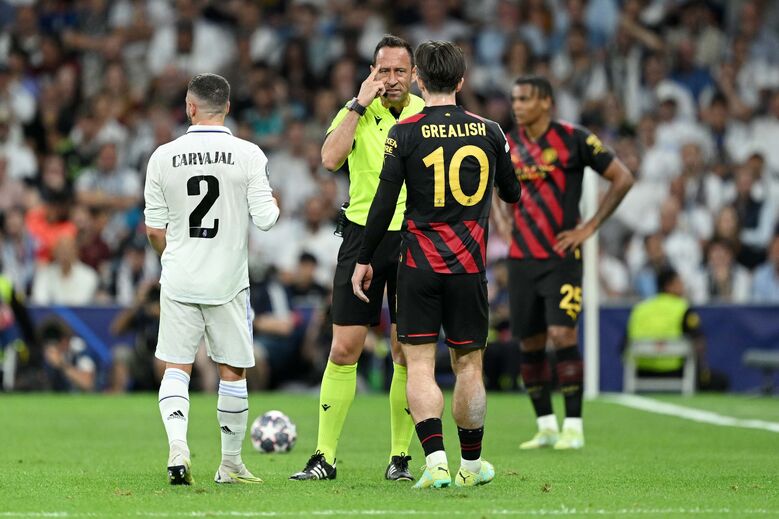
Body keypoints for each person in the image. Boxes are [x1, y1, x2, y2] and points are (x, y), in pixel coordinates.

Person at [352, 40, 520, 488]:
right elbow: (513, 192)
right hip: (469, 268)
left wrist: (364, 258)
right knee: (470, 367)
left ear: (419, 80)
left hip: (418, 267)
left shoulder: (403, 132)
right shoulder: (491, 131)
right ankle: (471, 467)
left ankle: (436, 463)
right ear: (461, 81)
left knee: (420, 366)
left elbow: (383, 204)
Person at [290, 35, 425, 482]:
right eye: (384, 70)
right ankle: (324, 456)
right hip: (361, 235)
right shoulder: (355, 110)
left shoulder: (426, 114)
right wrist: (357, 105)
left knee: (405, 350)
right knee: (344, 348)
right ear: (372, 73)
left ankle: (400, 458)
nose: (392, 79)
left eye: (399, 71)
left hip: (413, 238)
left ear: (414, 75)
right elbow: (330, 160)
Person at [144, 73, 279, 486]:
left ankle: (178, 448)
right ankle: (230, 464)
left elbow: (154, 230)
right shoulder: (249, 154)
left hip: (180, 277)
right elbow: (267, 220)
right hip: (228, 281)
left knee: (176, 367)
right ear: (228, 107)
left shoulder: (163, 156)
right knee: (232, 371)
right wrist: (272, 202)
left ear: (190, 107)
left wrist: (173, 258)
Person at [493, 75, 633, 451]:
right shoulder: (507, 142)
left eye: (525, 99)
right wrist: (503, 221)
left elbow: (622, 178)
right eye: (514, 99)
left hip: (561, 257)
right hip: (521, 258)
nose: (517, 105)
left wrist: (590, 227)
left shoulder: (575, 138)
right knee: (530, 342)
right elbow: (494, 185)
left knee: (562, 335)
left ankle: (573, 426)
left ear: (546, 102)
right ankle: (545, 426)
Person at [626, 267, 727, 392]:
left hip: (642, 371)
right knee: (720, 380)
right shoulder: (682, 308)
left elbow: (625, 343)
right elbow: (699, 340)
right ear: (668, 286)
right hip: (674, 372)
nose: (683, 286)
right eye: (679, 283)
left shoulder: (640, 309)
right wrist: (702, 370)